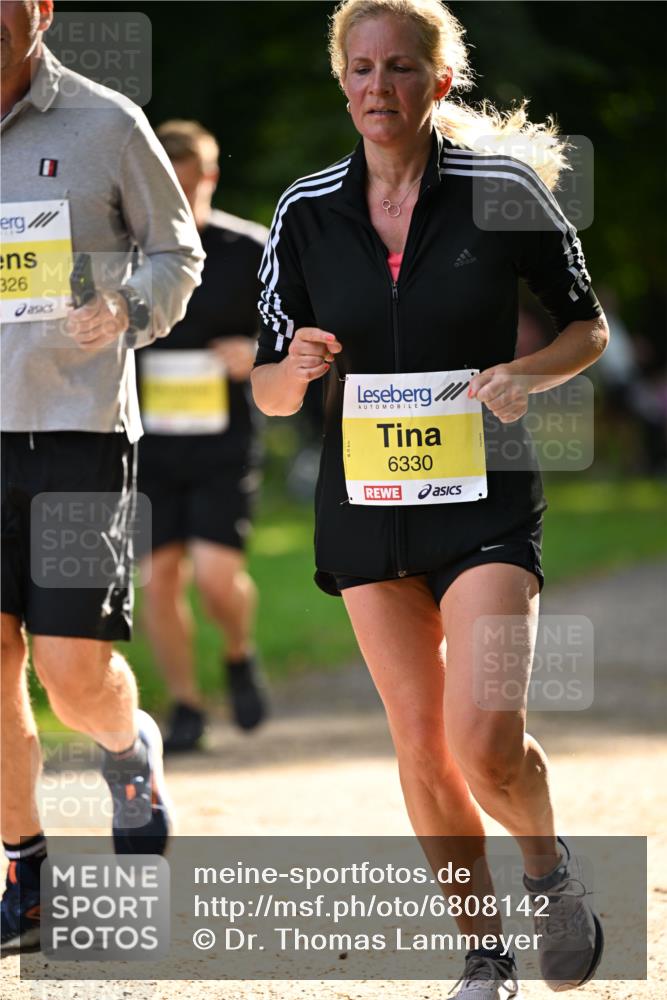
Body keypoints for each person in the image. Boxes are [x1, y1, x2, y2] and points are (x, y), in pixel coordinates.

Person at [251, 1, 609, 997]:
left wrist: (527, 376)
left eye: (400, 69)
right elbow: (268, 383)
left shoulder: (499, 192)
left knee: (484, 736)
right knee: (419, 743)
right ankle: (481, 951)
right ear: (342, 82)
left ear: (438, 81)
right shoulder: (305, 211)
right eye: (360, 70)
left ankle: (547, 868)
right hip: (365, 504)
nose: (379, 88)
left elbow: (588, 329)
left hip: (484, 494)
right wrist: (295, 369)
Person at [1, 1, 204, 951]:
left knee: (73, 675)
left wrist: (128, 304)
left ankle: (128, 750)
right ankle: (28, 876)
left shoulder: (107, 122)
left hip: (76, 436)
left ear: (39, 9)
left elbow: (177, 251)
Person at [136, 120, 269, 753]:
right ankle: (186, 705)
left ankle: (239, 652)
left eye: (190, 185)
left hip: (223, 439)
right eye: (169, 182)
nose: (180, 197)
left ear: (211, 177)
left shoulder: (249, 247)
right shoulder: (130, 250)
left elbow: (293, 332)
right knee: (159, 579)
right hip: (149, 441)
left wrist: (255, 349)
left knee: (216, 578)